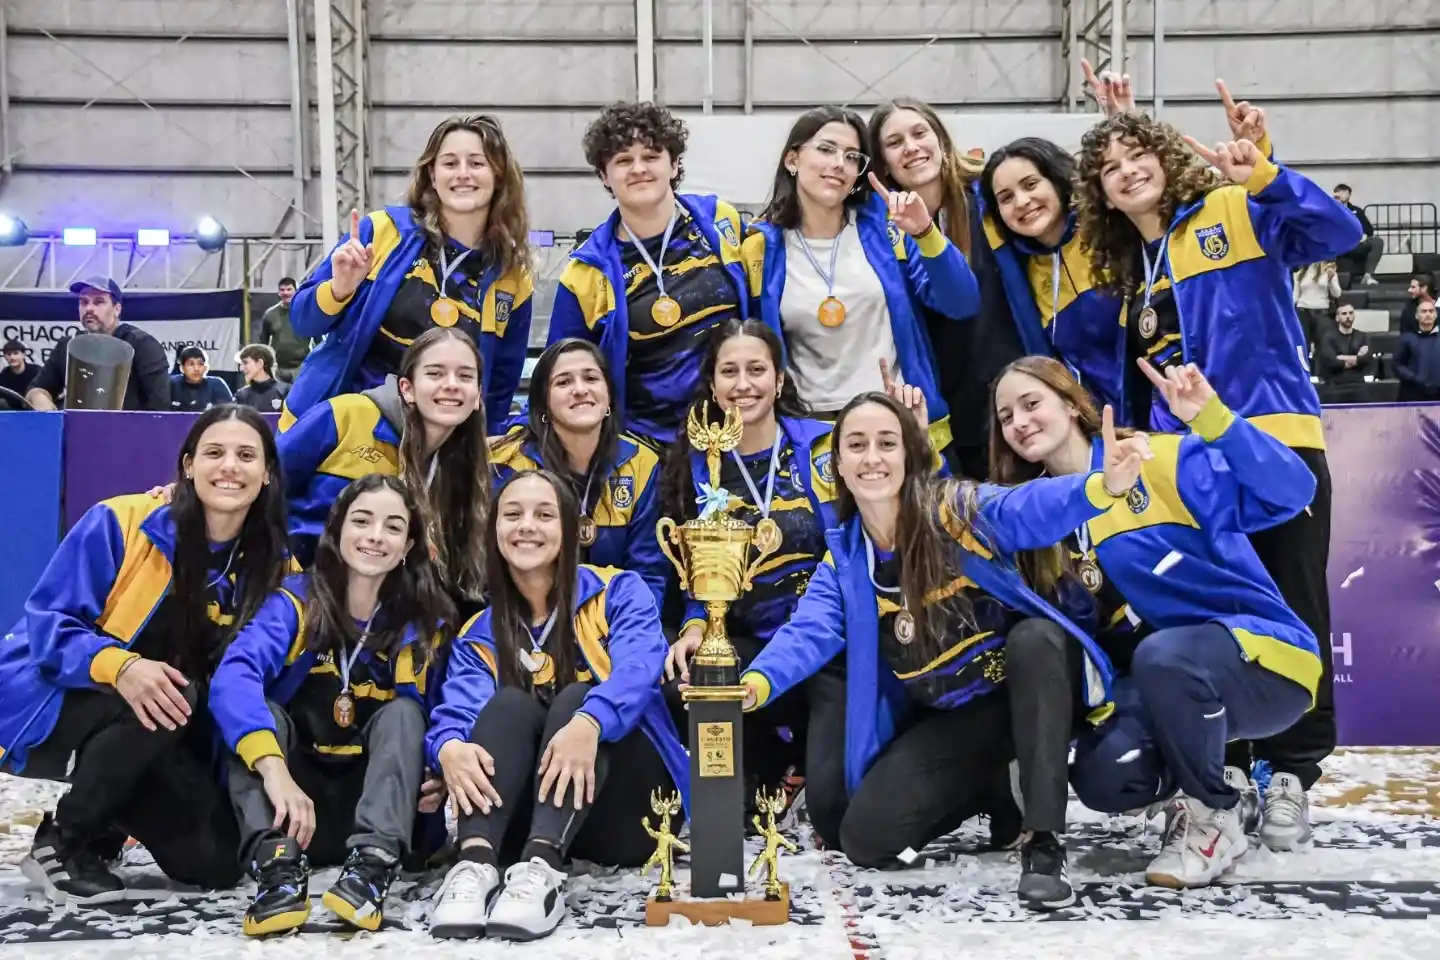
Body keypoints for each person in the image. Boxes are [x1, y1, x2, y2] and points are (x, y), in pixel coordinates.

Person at [1074, 112, 1361, 845]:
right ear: (1100, 193)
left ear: (1168, 159)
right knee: (1215, 615)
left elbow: (1339, 236)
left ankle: (1292, 771)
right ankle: (1226, 767)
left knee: (1296, 613)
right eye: (1110, 168)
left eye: (1138, 155)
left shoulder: (1232, 209)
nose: (1128, 171)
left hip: (1272, 447)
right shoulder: (1138, 274)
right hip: (1191, 470)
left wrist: (1264, 174)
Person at [734, 391, 1118, 907]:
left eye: (887, 443)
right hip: (957, 718)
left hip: (1030, 688)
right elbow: (808, 632)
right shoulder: (846, 556)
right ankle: (990, 788)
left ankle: (1044, 843)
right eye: (858, 445)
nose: (873, 457)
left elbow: (1026, 508)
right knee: (865, 840)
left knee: (1035, 639)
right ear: (838, 466)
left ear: (910, 455)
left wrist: (1097, 487)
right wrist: (754, 685)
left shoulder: (952, 508)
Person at [991, 355, 1320, 888]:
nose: (1020, 422)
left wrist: (1213, 419)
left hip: (1264, 659)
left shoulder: (1157, 459)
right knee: (1105, 776)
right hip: (1161, 676)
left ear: (1074, 405)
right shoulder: (1037, 517)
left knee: (1165, 655)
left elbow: (1294, 491)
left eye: (1031, 404)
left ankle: (1213, 816)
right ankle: (1212, 784)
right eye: (1006, 417)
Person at [0, 405, 288, 902]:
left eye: (247, 455)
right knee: (175, 690)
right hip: (52, 699)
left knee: (216, 862)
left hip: (160, 724)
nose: (229, 467)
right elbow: (48, 628)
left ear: (267, 476)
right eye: (214, 452)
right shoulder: (120, 521)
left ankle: (110, 810)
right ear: (187, 464)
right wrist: (122, 666)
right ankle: (64, 841)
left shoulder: (273, 567)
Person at [425, 470, 686, 941]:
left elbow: (640, 669)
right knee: (507, 707)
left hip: (629, 811)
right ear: (495, 531)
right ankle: (475, 866)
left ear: (570, 530)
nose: (528, 525)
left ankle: (542, 871)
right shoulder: (480, 630)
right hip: (523, 818)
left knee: (575, 698)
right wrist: (448, 749)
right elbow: (458, 710)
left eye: (544, 515)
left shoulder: (618, 592)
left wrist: (589, 721)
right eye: (513, 514)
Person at [212, 474, 453, 935]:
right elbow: (233, 679)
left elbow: (452, 711)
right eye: (361, 521)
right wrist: (272, 768)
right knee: (259, 718)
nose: (375, 536)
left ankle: (370, 873)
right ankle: (276, 874)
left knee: (405, 715)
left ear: (408, 547)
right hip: (292, 809)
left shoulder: (429, 622)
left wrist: (440, 765)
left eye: (393, 527)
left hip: (382, 814)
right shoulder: (294, 603)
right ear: (337, 530)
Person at [659, 319, 840, 810]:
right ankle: (767, 758)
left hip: (827, 651)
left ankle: (806, 762)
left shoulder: (826, 448)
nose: (744, 384)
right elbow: (697, 574)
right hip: (748, 643)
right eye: (729, 372)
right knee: (687, 679)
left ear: (779, 380)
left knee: (834, 810)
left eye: (757, 370)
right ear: (713, 386)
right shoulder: (694, 465)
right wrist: (696, 625)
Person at [743, 106, 979, 455]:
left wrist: (926, 233)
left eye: (852, 157)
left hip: (900, 424)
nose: (839, 163)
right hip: (812, 436)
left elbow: (962, 303)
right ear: (793, 159)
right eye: (826, 149)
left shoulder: (886, 227)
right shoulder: (761, 247)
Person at [285, 115, 533, 428]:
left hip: (440, 443)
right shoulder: (381, 231)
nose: (463, 174)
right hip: (347, 430)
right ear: (432, 173)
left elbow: (499, 387)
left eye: (476, 163)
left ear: (498, 175)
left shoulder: (512, 275)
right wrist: (340, 289)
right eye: (450, 163)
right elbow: (302, 322)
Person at [547, 101, 751, 444]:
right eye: (623, 160)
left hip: (736, 431)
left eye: (651, 156)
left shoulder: (721, 221)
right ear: (603, 176)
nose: (638, 168)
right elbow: (559, 371)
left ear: (674, 164)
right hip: (647, 445)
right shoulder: (584, 273)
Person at [278, 328, 490, 608]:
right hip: (300, 596)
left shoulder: (467, 465)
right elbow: (262, 484)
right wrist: (281, 563)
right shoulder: (347, 415)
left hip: (385, 612)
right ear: (407, 388)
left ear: (477, 396)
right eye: (435, 373)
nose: (451, 385)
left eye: (465, 376)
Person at [490, 338, 667, 607]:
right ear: (544, 406)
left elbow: (647, 575)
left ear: (609, 397)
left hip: (614, 624)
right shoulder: (509, 463)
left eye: (591, 378)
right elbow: (493, 569)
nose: (580, 390)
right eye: (563, 382)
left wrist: (621, 629)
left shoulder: (642, 463)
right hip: (525, 621)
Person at [867, 98, 993, 476]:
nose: (911, 147)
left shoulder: (989, 198)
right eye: (894, 142)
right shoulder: (884, 231)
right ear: (882, 162)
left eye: (919, 133)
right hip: (949, 408)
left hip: (1009, 389)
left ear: (940, 138)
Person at [26, 277, 171, 412]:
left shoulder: (142, 345)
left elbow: (160, 408)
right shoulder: (68, 346)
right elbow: (37, 388)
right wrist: (39, 398)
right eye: (84, 302)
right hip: (75, 433)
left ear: (117, 309)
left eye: (99, 302)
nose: (89, 308)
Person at [258, 276, 310, 383]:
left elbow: (319, 340)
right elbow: (263, 343)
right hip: (278, 369)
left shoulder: (306, 313)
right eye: (282, 290)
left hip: (302, 368)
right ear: (278, 293)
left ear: (296, 291)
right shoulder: (270, 315)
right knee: (277, 399)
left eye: (289, 289)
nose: (285, 293)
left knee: (299, 398)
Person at [1331, 184, 1382, 285]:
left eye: (1342, 192)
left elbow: (1369, 229)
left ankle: (1368, 276)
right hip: (1339, 245)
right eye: (1337, 194)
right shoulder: (1330, 210)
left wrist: (1364, 235)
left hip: (1356, 244)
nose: (1339, 196)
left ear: (1348, 195)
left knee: (1377, 241)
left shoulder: (1357, 211)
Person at [1316, 304, 1375, 388]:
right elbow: (1332, 361)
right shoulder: (1328, 338)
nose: (1348, 316)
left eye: (1351, 313)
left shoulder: (1363, 336)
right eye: (1344, 313)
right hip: (1336, 383)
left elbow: (1366, 358)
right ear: (1337, 318)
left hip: (1358, 383)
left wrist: (1341, 357)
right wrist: (1357, 358)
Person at [1292, 261, 1341, 359]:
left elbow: (1337, 294)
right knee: (1303, 344)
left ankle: (1321, 372)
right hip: (1303, 310)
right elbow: (1296, 295)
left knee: (1322, 345)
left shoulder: (1328, 270)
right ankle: (1305, 370)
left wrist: (1331, 279)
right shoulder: (1301, 272)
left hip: (1321, 311)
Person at [1394, 298, 1440, 402]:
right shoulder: (1406, 338)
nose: (1428, 314)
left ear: (1436, 315)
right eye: (1423, 311)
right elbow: (1396, 365)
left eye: (1431, 311)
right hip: (1413, 394)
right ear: (1416, 316)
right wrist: (1414, 378)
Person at [170, 346, 235, 411]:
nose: (196, 369)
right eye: (191, 364)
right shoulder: (171, 384)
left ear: (206, 367)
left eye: (200, 364)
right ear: (182, 368)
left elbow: (229, 412)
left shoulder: (217, 384)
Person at [235, 343, 291, 413]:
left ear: (260, 363)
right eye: (241, 364)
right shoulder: (241, 395)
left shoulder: (285, 392)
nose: (241, 368)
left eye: (245, 363)